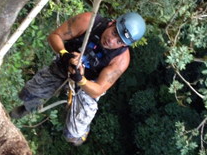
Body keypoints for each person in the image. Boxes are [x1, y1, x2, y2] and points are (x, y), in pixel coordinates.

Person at [9, 11, 146, 146]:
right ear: (113, 22)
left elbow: (98, 90)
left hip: (87, 86)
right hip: (64, 64)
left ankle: (83, 130)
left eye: (119, 41)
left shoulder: (121, 60)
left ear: (124, 45)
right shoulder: (89, 21)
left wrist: (81, 79)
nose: (111, 40)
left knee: (71, 136)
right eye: (114, 32)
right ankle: (28, 107)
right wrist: (65, 55)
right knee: (26, 95)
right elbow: (54, 36)